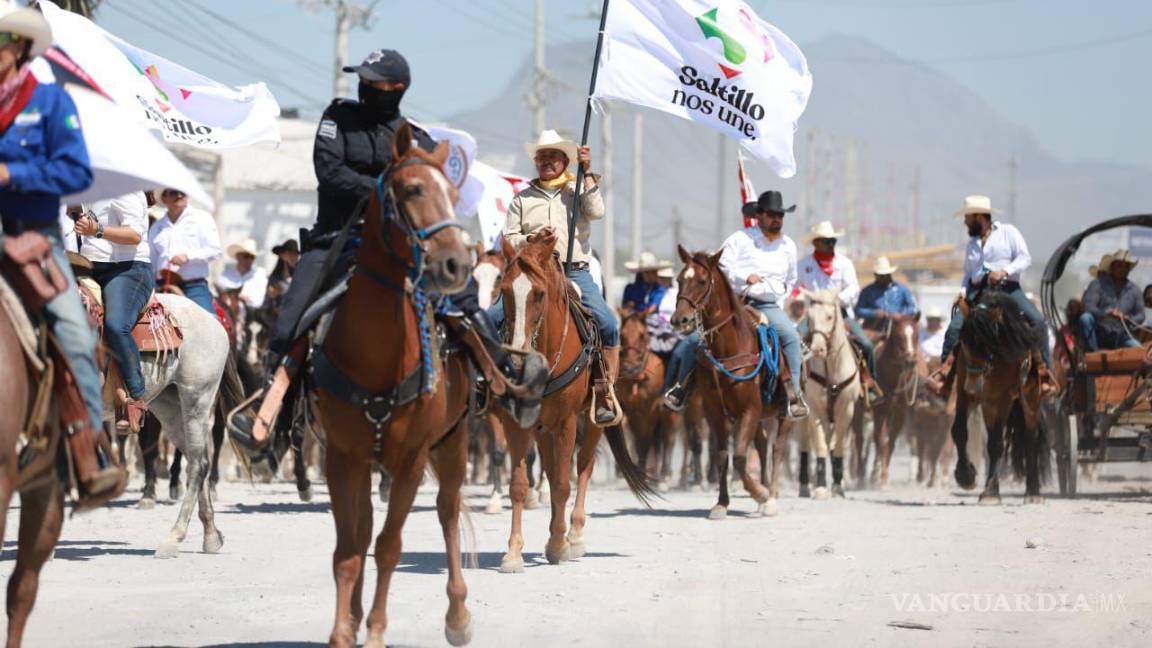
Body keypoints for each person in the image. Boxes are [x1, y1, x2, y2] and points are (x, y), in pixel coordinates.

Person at [251, 49, 543, 439]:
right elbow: (329, 171)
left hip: (400, 246)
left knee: (463, 297)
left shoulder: (416, 138)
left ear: (397, 88)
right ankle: (270, 410)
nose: (367, 87)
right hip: (335, 239)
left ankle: (502, 376)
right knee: (290, 316)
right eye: (365, 81)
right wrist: (384, 190)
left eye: (376, 83)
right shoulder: (338, 117)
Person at [0, 5, 124, 504]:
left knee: (75, 332)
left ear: (19, 47)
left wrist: (15, 176)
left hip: (34, 236)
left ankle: (88, 452)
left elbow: (75, 174)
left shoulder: (49, 103)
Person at [488, 128, 623, 425]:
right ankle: (487, 382)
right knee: (489, 317)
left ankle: (603, 391)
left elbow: (596, 211)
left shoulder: (577, 192)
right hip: (532, 270)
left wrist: (587, 171)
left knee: (608, 322)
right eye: (542, 156)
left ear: (565, 161)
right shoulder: (521, 199)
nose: (547, 161)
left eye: (553, 156)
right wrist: (532, 239)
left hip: (573, 269)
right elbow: (508, 236)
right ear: (536, 161)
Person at [663, 190, 809, 419]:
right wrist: (745, 277)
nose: (777, 219)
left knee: (790, 335)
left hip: (769, 305)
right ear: (759, 215)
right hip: (736, 303)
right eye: (772, 214)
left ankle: (794, 395)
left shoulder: (788, 246)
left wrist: (778, 292)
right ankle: (682, 389)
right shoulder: (740, 239)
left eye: (780, 214)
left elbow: (791, 280)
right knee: (695, 339)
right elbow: (719, 268)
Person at [929, 195, 1055, 395]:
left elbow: (1024, 258)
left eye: (967, 217)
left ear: (979, 217)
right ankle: (946, 374)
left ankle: (1044, 372)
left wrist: (1004, 271)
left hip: (1008, 290)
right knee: (954, 328)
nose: (965, 222)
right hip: (979, 292)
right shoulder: (971, 245)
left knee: (1038, 322)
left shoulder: (1008, 232)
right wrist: (962, 292)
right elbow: (968, 275)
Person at [70, 192, 153, 432]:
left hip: (128, 270)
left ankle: (136, 397)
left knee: (116, 325)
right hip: (89, 265)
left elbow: (134, 236)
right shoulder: (91, 186)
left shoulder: (127, 189)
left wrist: (96, 229)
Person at [795, 220, 881, 402]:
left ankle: (869, 384)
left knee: (866, 345)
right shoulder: (803, 265)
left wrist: (838, 300)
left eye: (833, 241)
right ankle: (792, 387)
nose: (831, 244)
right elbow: (791, 286)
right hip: (814, 315)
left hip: (840, 314)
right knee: (792, 342)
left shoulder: (845, 263)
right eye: (827, 241)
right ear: (816, 243)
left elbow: (853, 288)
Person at [148, 188, 222, 313]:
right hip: (162, 285)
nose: (179, 195)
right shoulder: (157, 227)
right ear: (164, 198)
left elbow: (215, 250)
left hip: (193, 287)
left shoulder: (202, 218)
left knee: (210, 325)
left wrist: (188, 257)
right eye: (173, 192)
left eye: (183, 192)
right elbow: (152, 262)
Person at [1079, 250, 1143, 351]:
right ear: (1112, 267)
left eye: (1126, 266)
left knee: (1139, 350)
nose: (1122, 269)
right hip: (1098, 331)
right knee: (1085, 318)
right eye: (1119, 266)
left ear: (1129, 269)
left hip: (1121, 334)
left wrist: (1127, 318)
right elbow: (1089, 306)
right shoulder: (1097, 284)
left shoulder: (1135, 290)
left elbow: (1141, 315)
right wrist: (1107, 313)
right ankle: (1093, 354)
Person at [855, 256, 918, 330]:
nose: (885, 278)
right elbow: (858, 310)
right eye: (882, 276)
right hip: (873, 329)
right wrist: (874, 313)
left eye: (887, 275)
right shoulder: (867, 291)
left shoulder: (902, 289)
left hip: (897, 327)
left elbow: (913, 308)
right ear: (876, 275)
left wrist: (901, 315)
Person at [216, 238, 268, 311]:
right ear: (238, 256)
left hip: (248, 315)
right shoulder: (225, 275)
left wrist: (244, 300)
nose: (249, 260)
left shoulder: (260, 277)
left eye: (252, 257)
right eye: (246, 256)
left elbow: (258, 302)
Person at [621, 251, 670, 316]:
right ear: (642, 273)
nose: (653, 274)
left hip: (651, 320)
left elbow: (653, 308)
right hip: (631, 318)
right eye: (648, 272)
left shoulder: (658, 289)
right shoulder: (630, 288)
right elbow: (625, 308)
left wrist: (640, 315)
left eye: (654, 271)